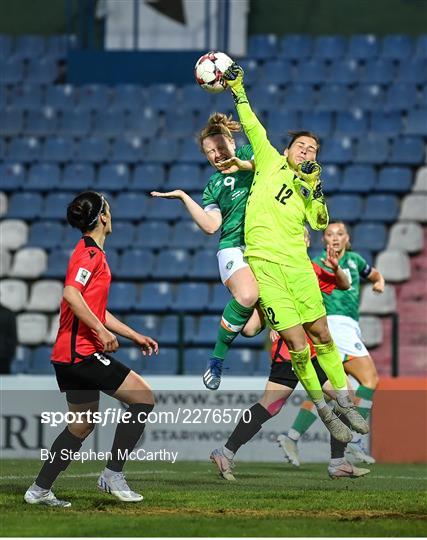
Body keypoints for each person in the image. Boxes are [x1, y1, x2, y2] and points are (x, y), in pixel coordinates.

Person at [222, 62, 368, 443]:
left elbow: (320, 221)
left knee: (321, 334)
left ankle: (344, 401)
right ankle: (323, 408)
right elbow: (252, 123)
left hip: (298, 266)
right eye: (301, 146)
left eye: (313, 150)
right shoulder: (268, 161)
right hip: (266, 266)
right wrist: (237, 90)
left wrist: (314, 186)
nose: (307, 151)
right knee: (297, 344)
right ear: (286, 150)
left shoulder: (308, 185)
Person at [24, 191, 158, 507]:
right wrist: (99, 331)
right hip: (81, 352)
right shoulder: (90, 255)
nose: (112, 214)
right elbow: (71, 294)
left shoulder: (91, 253)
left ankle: (39, 489)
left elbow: (95, 308)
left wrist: (132, 335)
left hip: (67, 355)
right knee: (143, 398)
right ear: (102, 217)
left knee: (81, 425)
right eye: (108, 209)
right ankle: (112, 474)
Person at [210, 233, 370, 479]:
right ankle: (336, 462)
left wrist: (337, 268)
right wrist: (252, 304)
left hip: (309, 353)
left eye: (304, 236)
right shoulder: (269, 274)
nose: (302, 239)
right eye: (298, 234)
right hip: (292, 354)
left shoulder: (312, 269)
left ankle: (226, 453)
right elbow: (251, 329)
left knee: (273, 406)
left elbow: (345, 284)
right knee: (339, 396)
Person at [151, 112, 262, 390]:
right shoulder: (213, 186)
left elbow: (268, 165)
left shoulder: (249, 154)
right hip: (233, 248)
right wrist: (184, 197)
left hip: (264, 247)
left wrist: (244, 164)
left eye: (221, 147)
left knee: (249, 329)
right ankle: (216, 360)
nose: (217, 154)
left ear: (233, 144)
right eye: (210, 152)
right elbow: (212, 226)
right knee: (248, 295)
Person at [278, 221, 384, 466]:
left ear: (347, 238)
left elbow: (374, 274)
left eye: (340, 234)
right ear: (323, 240)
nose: (335, 238)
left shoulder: (356, 260)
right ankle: (355, 443)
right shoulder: (316, 262)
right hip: (334, 326)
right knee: (369, 380)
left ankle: (292, 436)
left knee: (335, 393)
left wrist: (379, 282)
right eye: (329, 234)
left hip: (347, 328)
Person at [0, 302, 17, 374]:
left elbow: (13, 336)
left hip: (3, 357)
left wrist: (10, 355)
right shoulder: (8, 313)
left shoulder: (8, 313)